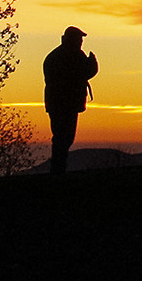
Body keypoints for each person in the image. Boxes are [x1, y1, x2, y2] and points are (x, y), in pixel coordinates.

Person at [42, 27, 98, 175]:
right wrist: (93, 63)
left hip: (59, 103)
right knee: (63, 137)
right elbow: (84, 72)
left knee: (63, 137)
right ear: (72, 39)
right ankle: (58, 170)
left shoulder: (56, 55)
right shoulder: (70, 55)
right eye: (79, 39)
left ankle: (58, 168)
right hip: (65, 103)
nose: (81, 42)